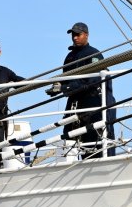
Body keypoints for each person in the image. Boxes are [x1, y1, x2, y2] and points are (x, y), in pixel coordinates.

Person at [48, 22, 116, 157]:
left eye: (78, 35)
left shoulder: (94, 54)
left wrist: (66, 87)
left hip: (94, 103)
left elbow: (92, 81)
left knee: (95, 141)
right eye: (73, 35)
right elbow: (66, 78)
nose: (75, 38)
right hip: (76, 104)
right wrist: (57, 87)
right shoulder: (70, 57)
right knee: (68, 138)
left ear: (86, 35)